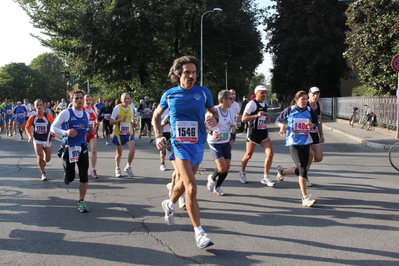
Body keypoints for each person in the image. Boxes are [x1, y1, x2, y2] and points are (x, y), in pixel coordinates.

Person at [153, 55, 217, 249]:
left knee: (182, 182)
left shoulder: (203, 92)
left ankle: (170, 204)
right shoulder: (170, 94)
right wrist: (157, 136)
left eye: (194, 72)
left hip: (197, 144)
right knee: (191, 188)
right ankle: (199, 233)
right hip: (179, 145)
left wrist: (213, 119)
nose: (191, 76)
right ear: (179, 74)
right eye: (187, 72)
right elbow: (156, 116)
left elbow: (214, 112)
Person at [51, 90, 95, 213]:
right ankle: (67, 176)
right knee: (70, 177)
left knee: (84, 175)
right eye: (76, 98)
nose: (79, 100)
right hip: (69, 147)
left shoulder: (86, 115)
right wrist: (65, 132)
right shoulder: (66, 113)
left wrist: (89, 132)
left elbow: (84, 130)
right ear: (72, 100)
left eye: (81, 98)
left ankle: (81, 201)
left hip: (82, 147)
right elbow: (53, 127)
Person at [275, 90, 319, 207]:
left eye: (306, 99)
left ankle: (282, 171)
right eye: (302, 99)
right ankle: (305, 198)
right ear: (296, 100)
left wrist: (312, 125)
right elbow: (277, 121)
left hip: (306, 141)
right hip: (293, 141)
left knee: (301, 169)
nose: (305, 101)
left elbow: (316, 123)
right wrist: (282, 126)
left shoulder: (310, 111)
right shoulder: (290, 110)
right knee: (303, 170)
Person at [238, 85, 275, 186]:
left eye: (265, 92)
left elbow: (263, 116)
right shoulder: (251, 104)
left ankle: (266, 177)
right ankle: (242, 172)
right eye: (262, 92)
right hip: (253, 133)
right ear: (256, 93)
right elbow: (244, 119)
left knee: (270, 153)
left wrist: (266, 119)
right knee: (248, 155)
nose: (264, 94)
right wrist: (256, 116)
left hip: (263, 133)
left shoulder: (265, 104)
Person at [206, 90, 236, 196]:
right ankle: (212, 178)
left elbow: (233, 126)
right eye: (231, 98)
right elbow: (204, 127)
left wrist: (232, 130)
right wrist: (212, 132)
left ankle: (217, 186)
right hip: (214, 142)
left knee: (227, 167)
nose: (233, 101)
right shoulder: (213, 111)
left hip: (226, 141)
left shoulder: (231, 112)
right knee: (222, 167)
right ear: (224, 100)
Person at [25, 99, 56, 181]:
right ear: (34, 107)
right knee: (39, 156)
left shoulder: (48, 116)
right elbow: (27, 127)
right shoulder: (33, 117)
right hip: (37, 139)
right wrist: (29, 136)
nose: (39, 106)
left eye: (40, 105)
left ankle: (44, 162)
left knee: (47, 159)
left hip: (47, 139)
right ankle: (43, 173)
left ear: (43, 106)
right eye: (37, 105)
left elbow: (54, 126)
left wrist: (53, 135)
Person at [109, 93, 137, 178]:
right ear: (121, 100)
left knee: (132, 150)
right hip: (119, 134)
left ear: (130, 99)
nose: (126, 100)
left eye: (128, 98)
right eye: (125, 98)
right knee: (119, 153)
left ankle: (128, 166)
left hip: (129, 133)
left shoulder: (131, 107)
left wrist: (134, 124)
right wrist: (120, 120)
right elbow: (111, 121)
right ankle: (117, 168)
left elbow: (131, 119)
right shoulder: (117, 108)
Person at [306, 86, 324, 186]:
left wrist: (321, 134)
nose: (315, 96)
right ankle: (304, 176)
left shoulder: (320, 105)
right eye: (313, 94)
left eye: (317, 94)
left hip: (315, 133)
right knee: (309, 157)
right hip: (304, 134)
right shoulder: (305, 104)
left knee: (318, 157)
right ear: (309, 94)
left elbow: (320, 120)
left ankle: (299, 168)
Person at [83, 94, 99, 179]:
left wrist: (96, 124)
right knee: (82, 153)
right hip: (83, 134)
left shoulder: (94, 108)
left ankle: (93, 169)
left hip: (92, 133)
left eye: (89, 100)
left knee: (94, 150)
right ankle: (81, 169)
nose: (88, 102)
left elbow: (96, 119)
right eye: (86, 100)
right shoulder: (81, 109)